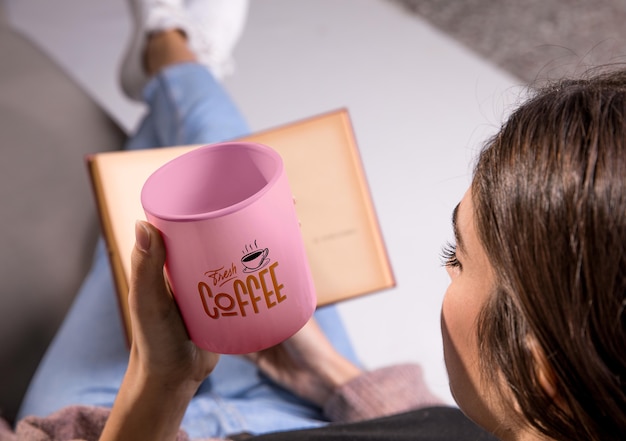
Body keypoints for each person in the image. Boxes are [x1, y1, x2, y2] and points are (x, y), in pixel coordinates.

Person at [2, 1, 625, 441]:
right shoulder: (549, 415)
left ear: (540, 373)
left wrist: (157, 386)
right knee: (233, 178)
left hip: (114, 415)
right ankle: (176, 58)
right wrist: (329, 371)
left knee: (177, 191)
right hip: (309, 394)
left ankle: (170, 54)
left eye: (454, 256)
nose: (445, 270)